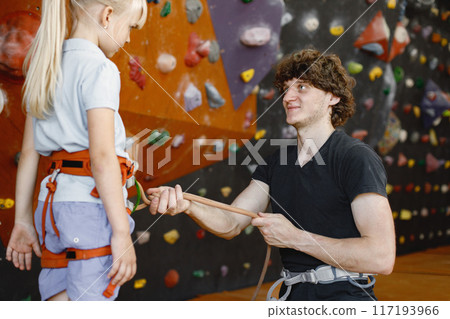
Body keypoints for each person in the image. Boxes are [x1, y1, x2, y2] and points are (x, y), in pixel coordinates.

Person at [147, 49, 396, 301]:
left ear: (332, 97)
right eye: (286, 89)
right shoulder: (278, 161)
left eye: (302, 87)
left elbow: (381, 256)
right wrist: (188, 204)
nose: (288, 97)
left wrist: (295, 238)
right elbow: (231, 223)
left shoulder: (355, 158)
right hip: (293, 296)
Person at [6, 0, 147, 301]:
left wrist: (22, 220)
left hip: (50, 206)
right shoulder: (100, 68)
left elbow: (29, 153)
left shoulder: (45, 63)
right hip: (89, 208)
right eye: (131, 27)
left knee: (59, 298)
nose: (129, 38)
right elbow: (102, 157)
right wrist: (122, 232)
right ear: (107, 15)